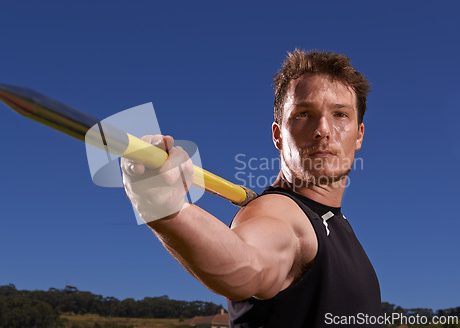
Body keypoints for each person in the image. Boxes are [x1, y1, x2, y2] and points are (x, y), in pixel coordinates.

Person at [121, 49, 383, 327]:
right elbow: (248, 263)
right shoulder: (281, 213)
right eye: (304, 113)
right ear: (278, 135)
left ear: (359, 135)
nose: (323, 129)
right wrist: (166, 209)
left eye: (340, 114)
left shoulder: (335, 222)